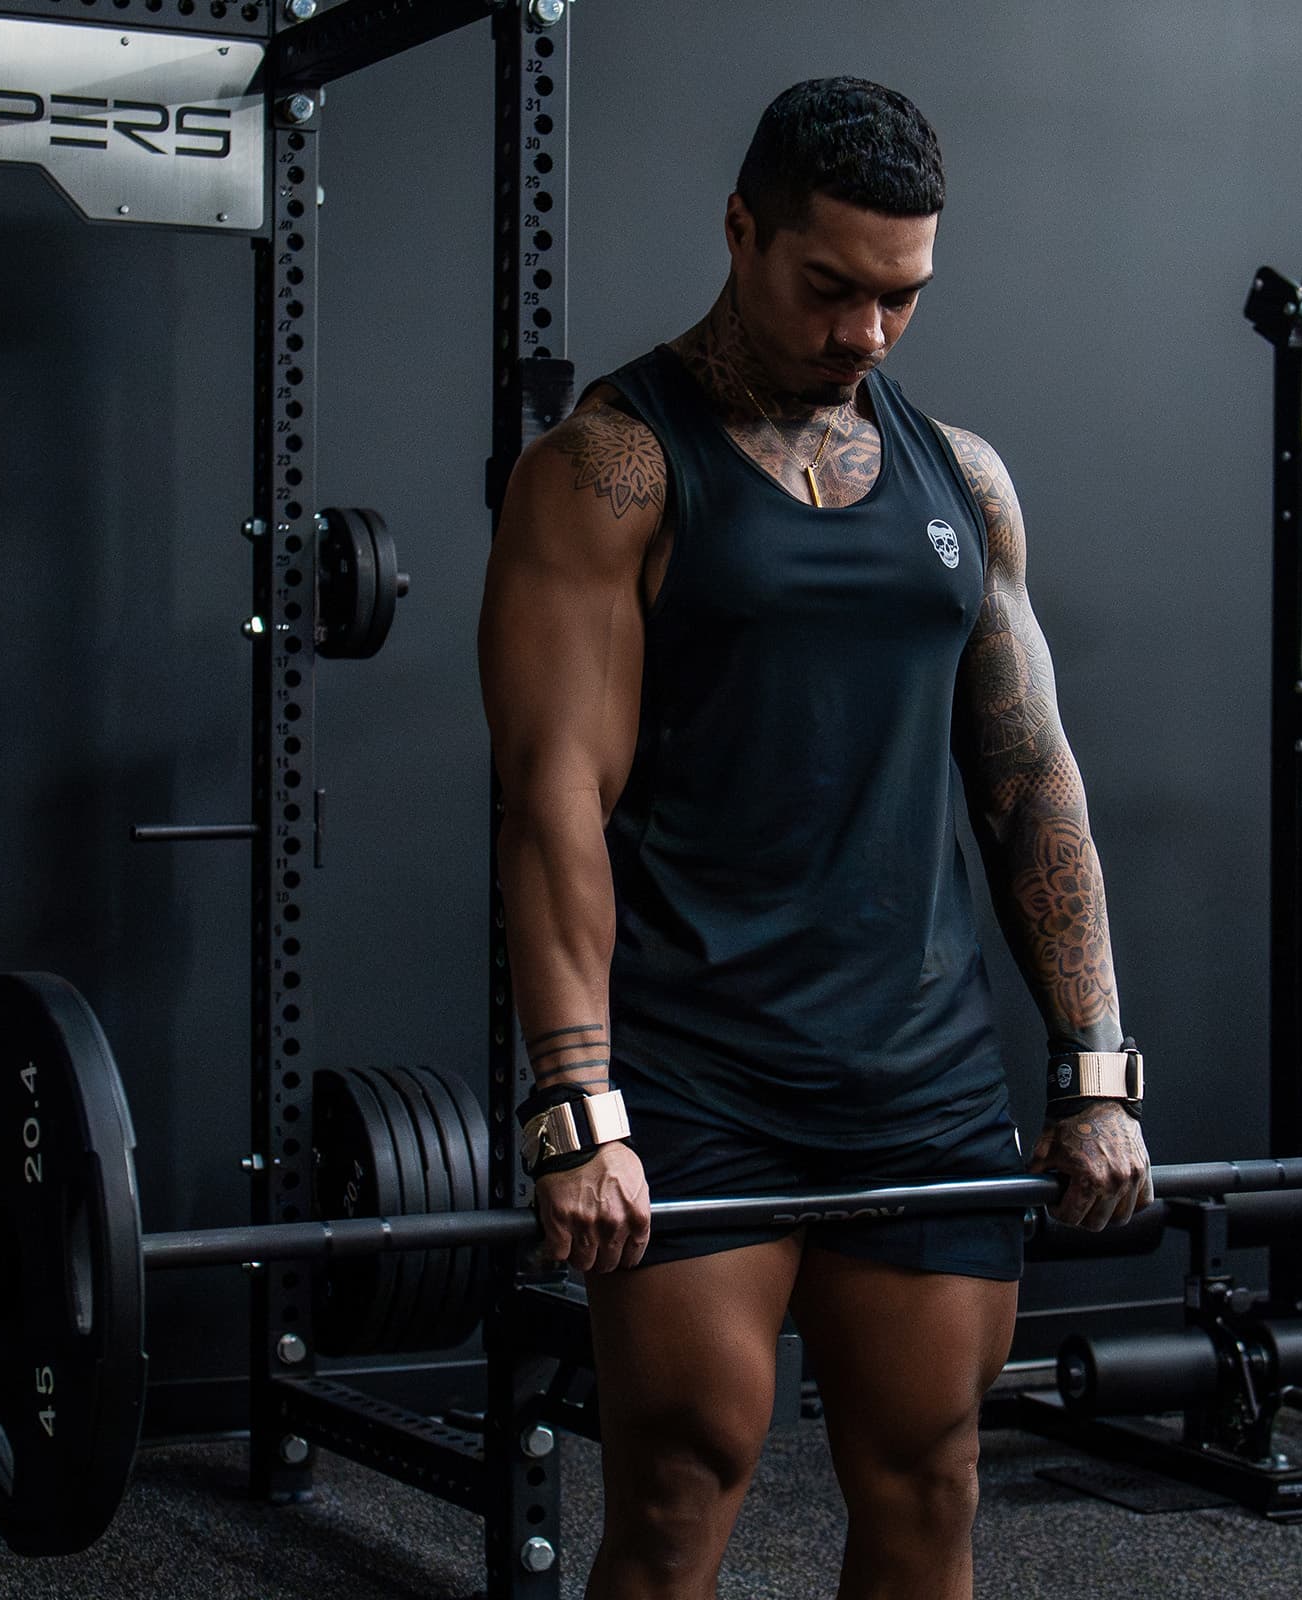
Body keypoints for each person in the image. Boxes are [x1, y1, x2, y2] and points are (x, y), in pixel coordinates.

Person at [477, 77, 1153, 1600]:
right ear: (742, 231)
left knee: (931, 1479)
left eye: (901, 296)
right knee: (679, 1488)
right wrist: (576, 1105)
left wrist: (1094, 1067)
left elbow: (1030, 780)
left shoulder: (962, 479)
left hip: (922, 1073)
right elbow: (552, 795)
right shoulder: (610, 470)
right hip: (699, 1070)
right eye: (831, 286)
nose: (867, 332)